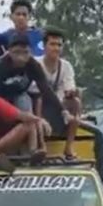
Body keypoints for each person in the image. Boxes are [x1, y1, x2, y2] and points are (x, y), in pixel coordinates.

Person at [0, 34, 73, 160]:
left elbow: (46, 89)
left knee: (26, 106)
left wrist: (63, 111)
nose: (21, 58)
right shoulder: (1, 64)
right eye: (17, 53)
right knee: (11, 110)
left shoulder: (33, 65)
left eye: (25, 53)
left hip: (20, 95)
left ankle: (34, 150)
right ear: (9, 52)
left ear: (30, 52)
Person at [35, 27, 82, 159]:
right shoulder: (36, 63)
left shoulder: (66, 66)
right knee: (38, 98)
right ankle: (41, 146)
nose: (56, 48)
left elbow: (69, 88)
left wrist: (72, 93)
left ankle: (69, 147)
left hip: (60, 106)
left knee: (76, 102)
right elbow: (34, 90)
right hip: (39, 105)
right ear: (44, 46)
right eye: (52, 44)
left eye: (59, 45)